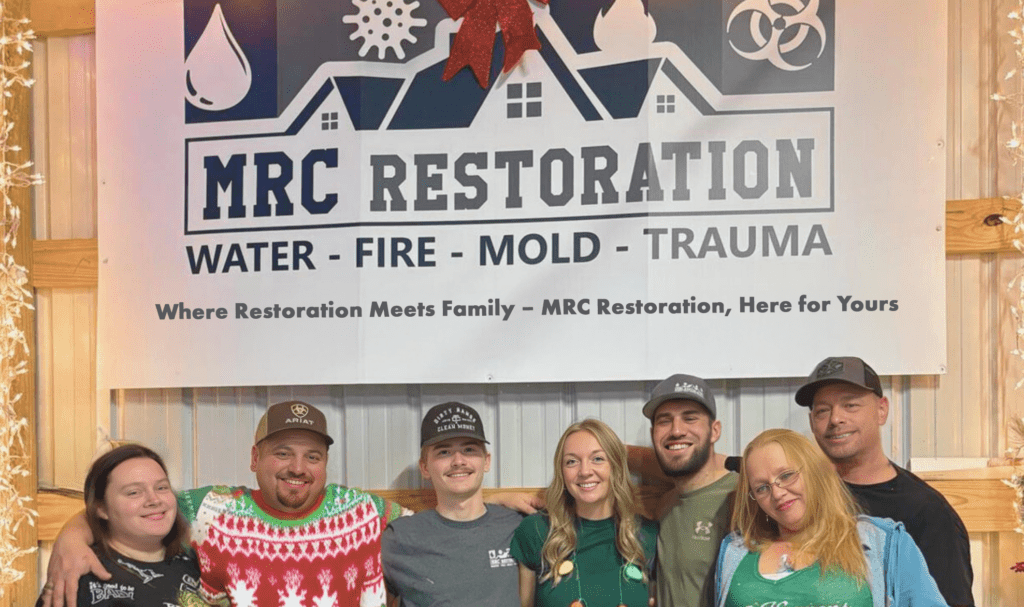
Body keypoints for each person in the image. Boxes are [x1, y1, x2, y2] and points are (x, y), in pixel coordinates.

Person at [44, 400, 407, 607]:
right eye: (283, 453)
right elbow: (136, 510)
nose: (298, 468)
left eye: (312, 456)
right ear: (254, 458)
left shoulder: (363, 511)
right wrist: (71, 537)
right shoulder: (211, 509)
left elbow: (436, 531)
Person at [796, 356, 974, 607]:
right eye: (822, 410)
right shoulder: (798, 499)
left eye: (850, 405)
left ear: (882, 410)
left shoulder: (926, 511)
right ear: (812, 422)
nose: (835, 419)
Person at [715, 429, 946, 607]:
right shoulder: (735, 551)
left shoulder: (883, 543)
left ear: (815, 472)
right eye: (762, 488)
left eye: (786, 476)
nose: (777, 493)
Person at [382, 401, 523, 607]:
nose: (458, 460)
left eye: (469, 449)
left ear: (486, 461)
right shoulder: (400, 537)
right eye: (444, 452)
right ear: (425, 467)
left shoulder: (518, 526)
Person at [511, 419, 657, 607]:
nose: (585, 471)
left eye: (597, 458)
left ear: (616, 466)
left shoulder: (647, 533)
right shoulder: (537, 531)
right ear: (561, 472)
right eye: (572, 462)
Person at [36, 444, 201, 607]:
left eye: (162, 487)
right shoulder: (80, 576)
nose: (154, 499)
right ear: (101, 508)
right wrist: (71, 536)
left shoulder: (202, 562)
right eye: (134, 492)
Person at [640, 373, 737, 607]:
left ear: (715, 431)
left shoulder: (742, 495)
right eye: (664, 420)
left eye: (690, 418)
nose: (676, 431)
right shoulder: (665, 504)